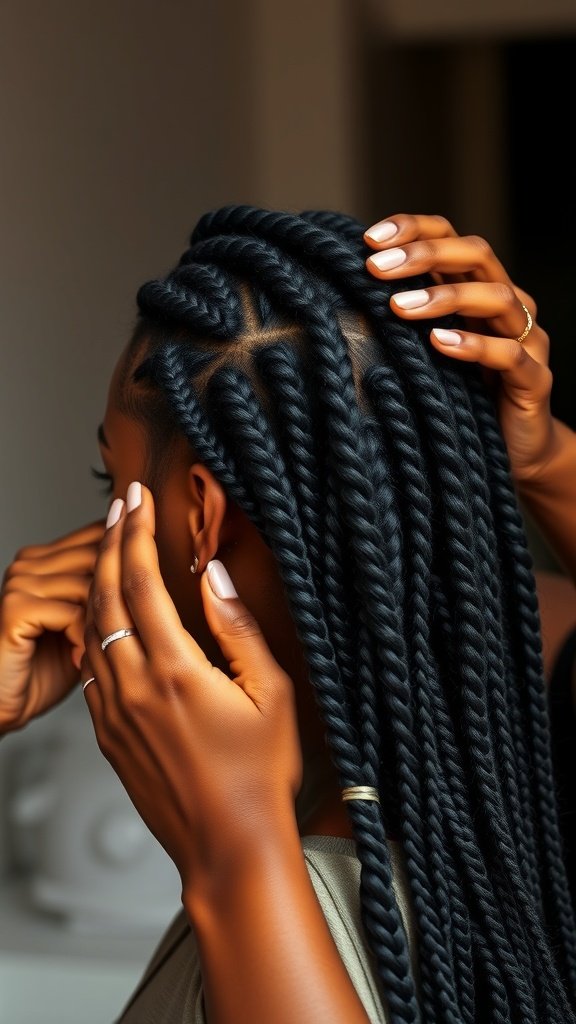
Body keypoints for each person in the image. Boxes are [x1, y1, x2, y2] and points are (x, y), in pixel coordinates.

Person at [1, 206, 576, 1024]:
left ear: (201, 517)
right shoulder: (517, 765)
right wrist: (548, 457)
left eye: (113, 482)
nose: (95, 537)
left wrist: (233, 858)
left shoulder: (266, 903)